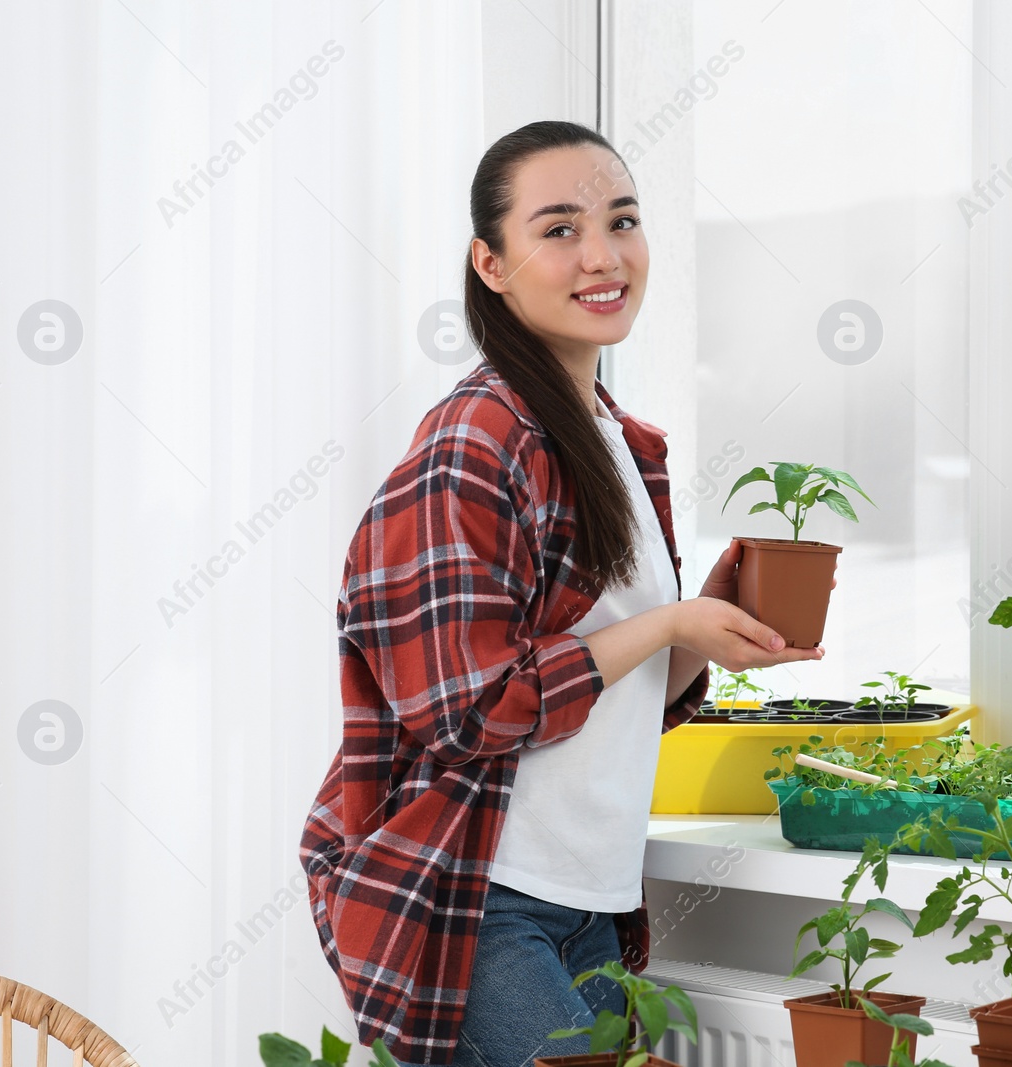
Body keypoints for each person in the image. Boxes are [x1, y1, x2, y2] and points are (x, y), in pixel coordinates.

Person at [299, 120, 825, 1067]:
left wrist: (698, 636)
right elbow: (466, 709)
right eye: (558, 228)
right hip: (479, 899)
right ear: (490, 264)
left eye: (622, 220)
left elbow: (619, 703)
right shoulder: (476, 440)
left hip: (596, 903)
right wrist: (666, 621)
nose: (602, 254)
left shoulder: (622, 441)